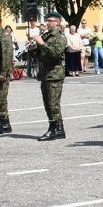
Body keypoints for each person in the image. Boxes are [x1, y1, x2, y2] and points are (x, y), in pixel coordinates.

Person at [32, 12, 67, 140]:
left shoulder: (60, 38)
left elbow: (56, 54)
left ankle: (58, 129)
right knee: (47, 102)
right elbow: (38, 54)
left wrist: (42, 44)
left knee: (53, 103)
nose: (48, 23)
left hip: (55, 73)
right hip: (45, 73)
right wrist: (32, 47)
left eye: (51, 20)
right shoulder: (45, 36)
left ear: (57, 22)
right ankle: (53, 127)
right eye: (47, 20)